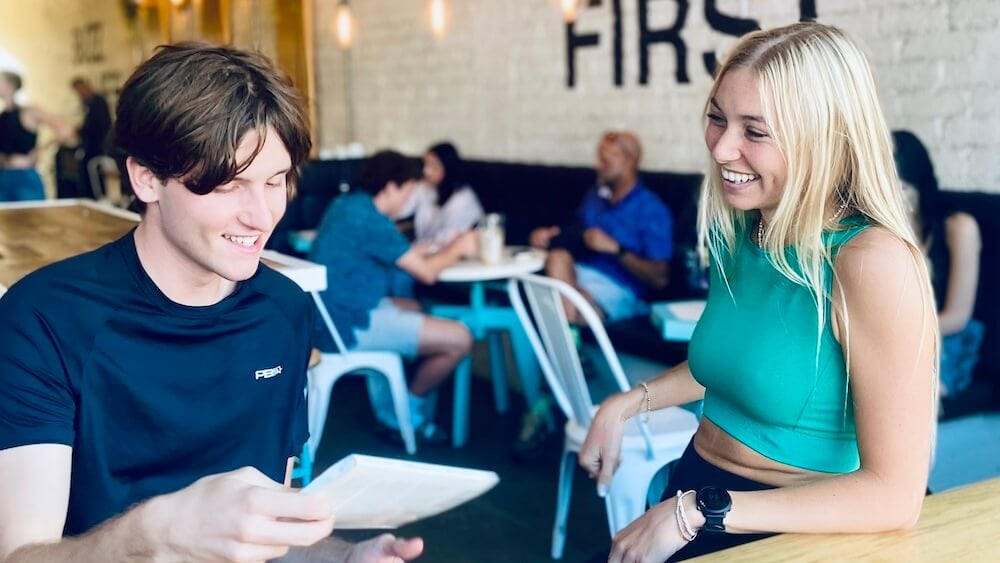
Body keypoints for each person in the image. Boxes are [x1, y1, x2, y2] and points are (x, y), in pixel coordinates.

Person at [0, 43, 422, 562]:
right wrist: (156, 530)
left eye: (275, 181)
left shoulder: (284, 310)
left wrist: (340, 556)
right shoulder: (43, 319)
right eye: (228, 186)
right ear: (146, 178)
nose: (262, 215)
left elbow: (265, 528)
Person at [579, 22, 938, 562]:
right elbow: (729, 365)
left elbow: (896, 496)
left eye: (755, 131)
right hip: (699, 488)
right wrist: (627, 402)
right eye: (717, 118)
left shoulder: (871, 263)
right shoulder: (747, 226)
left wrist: (702, 510)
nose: (723, 148)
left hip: (791, 529)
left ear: (826, 137)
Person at [309, 149, 476, 444]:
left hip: (329, 316)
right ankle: (407, 414)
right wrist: (460, 248)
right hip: (348, 324)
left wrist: (436, 249)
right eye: (409, 191)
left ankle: (394, 413)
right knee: (461, 338)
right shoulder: (369, 219)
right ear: (390, 187)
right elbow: (427, 274)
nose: (409, 200)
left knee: (414, 307)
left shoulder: (349, 205)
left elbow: (398, 251)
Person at [529, 131, 673, 323]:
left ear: (628, 161)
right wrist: (548, 237)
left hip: (620, 288)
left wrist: (616, 250)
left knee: (561, 306)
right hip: (576, 276)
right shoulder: (594, 198)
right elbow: (577, 237)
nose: (597, 166)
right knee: (557, 257)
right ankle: (571, 330)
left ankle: (569, 325)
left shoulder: (651, 210)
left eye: (605, 161)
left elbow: (659, 278)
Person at [893, 130, 983, 399]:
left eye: (902, 187)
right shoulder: (884, 233)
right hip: (896, 336)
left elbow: (958, 316)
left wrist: (894, 332)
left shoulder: (959, 227)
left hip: (944, 341)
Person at [0, 70, 74, 201]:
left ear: (11, 85)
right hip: (3, 178)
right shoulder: (3, 116)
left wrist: (39, 150)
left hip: (25, 177)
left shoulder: (29, 112)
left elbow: (65, 130)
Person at [410, 141, 484, 246]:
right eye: (425, 164)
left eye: (433, 166)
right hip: (423, 252)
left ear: (448, 168)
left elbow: (447, 240)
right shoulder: (424, 188)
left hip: (453, 255)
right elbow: (401, 209)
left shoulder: (463, 199)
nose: (426, 171)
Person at [70, 77, 112, 199]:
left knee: (94, 174)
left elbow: (100, 124)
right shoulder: (87, 102)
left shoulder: (98, 102)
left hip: (97, 145)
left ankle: (96, 197)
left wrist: (82, 131)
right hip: (89, 144)